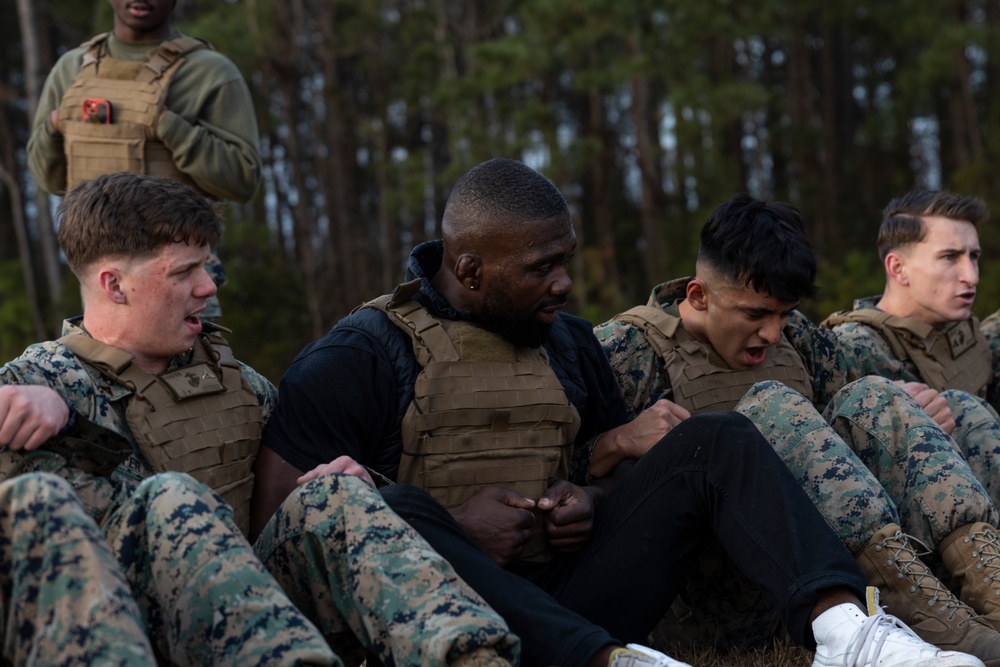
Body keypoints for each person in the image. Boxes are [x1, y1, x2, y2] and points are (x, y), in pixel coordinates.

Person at [252, 158, 983, 667]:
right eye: (542, 266)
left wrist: (588, 500)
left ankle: (845, 629)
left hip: (576, 590)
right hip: (442, 615)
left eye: (565, 257)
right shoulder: (362, 355)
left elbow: (609, 470)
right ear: (469, 267)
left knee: (716, 437)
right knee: (402, 504)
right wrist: (449, 527)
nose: (566, 282)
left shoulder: (567, 342)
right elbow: (293, 520)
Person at [0, 172, 518, 666]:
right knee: (172, 497)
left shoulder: (231, 378)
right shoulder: (39, 379)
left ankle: (473, 657)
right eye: (184, 273)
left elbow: (299, 487)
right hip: (120, 633)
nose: (208, 287)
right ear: (114, 286)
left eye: (206, 266)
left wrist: (359, 486)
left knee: (335, 493)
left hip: (256, 621)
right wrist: (24, 401)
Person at [594, 193, 1000, 664]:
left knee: (877, 396)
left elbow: (859, 419)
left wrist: (907, 406)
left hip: (817, 571)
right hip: (706, 594)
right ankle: (905, 605)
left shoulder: (798, 338)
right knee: (771, 407)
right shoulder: (625, 351)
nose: (772, 333)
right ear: (699, 295)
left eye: (783, 314)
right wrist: (616, 442)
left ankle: (979, 582)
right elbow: (563, 478)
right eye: (755, 315)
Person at [26, 0, 262, 320]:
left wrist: (168, 126)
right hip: (100, 277)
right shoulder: (72, 69)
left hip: (180, 273)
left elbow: (242, 179)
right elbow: (50, 179)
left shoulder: (208, 71)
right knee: (103, 368)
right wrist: (57, 125)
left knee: (187, 369)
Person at [822, 191, 1000, 510]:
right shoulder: (852, 349)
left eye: (973, 256)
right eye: (949, 257)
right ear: (898, 268)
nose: (971, 276)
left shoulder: (962, 332)